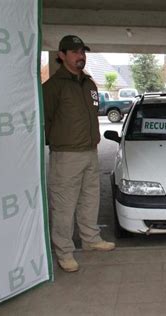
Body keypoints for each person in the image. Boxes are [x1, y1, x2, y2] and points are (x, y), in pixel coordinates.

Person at [43, 35, 115, 272]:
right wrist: (57, 141)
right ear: (62, 55)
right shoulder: (53, 87)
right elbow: (46, 119)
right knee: (64, 205)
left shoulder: (89, 84)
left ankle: (90, 239)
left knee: (90, 199)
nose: (80, 56)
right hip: (66, 155)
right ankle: (64, 251)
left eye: (82, 51)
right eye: (74, 52)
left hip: (90, 151)